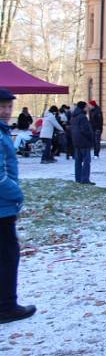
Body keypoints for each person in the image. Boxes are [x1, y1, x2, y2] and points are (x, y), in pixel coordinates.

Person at [0, 89, 35, 324]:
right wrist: (17, 193)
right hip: (3, 205)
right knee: (8, 255)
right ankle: (6, 305)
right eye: (1, 106)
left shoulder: (3, 132)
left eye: (8, 106)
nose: (5, 111)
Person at [70, 102, 94, 185]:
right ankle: (85, 179)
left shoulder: (73, 116)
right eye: (86, 107)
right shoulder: (82, 117)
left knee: (78, 161)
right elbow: (85, 130)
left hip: (76, 141)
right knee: (86, 161)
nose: (87, 108)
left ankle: (78, 178)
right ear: (83, 107)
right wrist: (91, 138)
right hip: (84, 141)